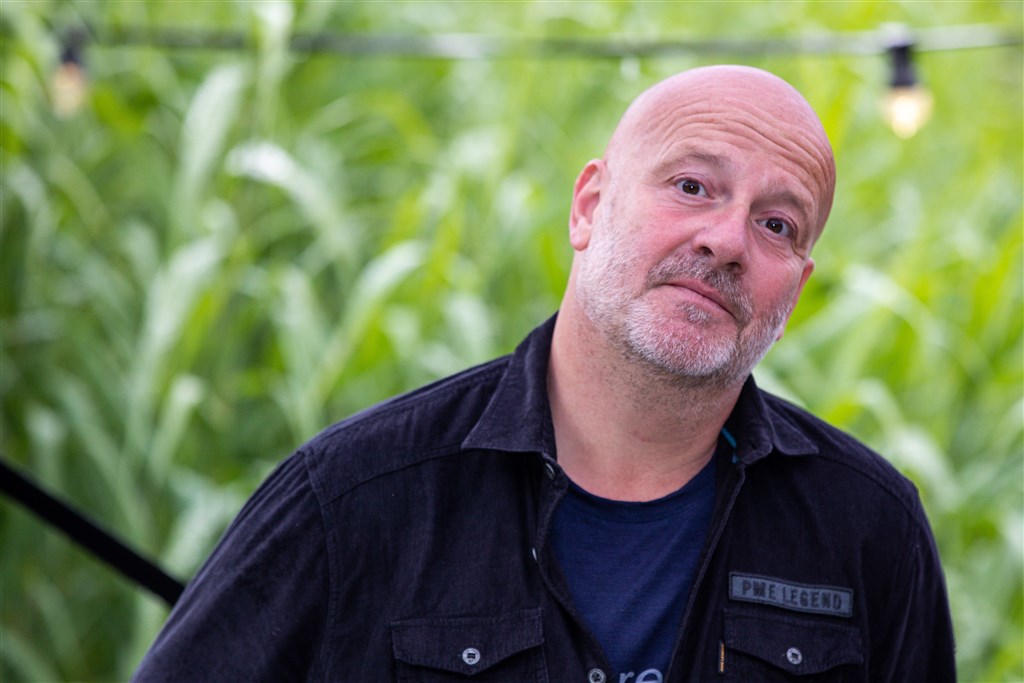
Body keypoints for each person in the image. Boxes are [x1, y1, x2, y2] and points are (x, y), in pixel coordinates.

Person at [133, 65, 955, 682]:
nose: (727, 239)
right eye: (692, 185)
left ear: (797, 288)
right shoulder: (353, 499)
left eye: (777, 224)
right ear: (589, 206)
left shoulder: (868, 528)